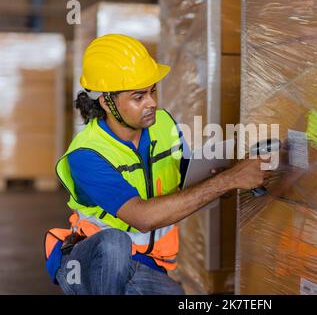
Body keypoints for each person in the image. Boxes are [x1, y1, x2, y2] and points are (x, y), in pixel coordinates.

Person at [44, 34, 269, 295]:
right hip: (89, 266)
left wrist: (228, 178)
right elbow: (143, 217)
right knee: (114, 244)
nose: (152, 102)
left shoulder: (164, 125)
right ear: (107, 102)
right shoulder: (86, 154)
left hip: (147, 265)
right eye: (138, 97)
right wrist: (228, 180)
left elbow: (191, 185)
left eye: (152, 91)